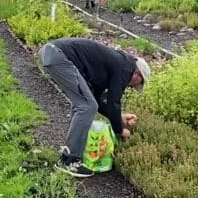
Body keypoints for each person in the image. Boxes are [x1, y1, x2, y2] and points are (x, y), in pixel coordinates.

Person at [39, 38, 150, 178]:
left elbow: (97, 101)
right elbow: (114, 101)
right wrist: (120, 130)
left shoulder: (117, 64)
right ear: (137, 73)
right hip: (59, 55)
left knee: (85, 104)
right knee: (85, 106)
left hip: (52, 53)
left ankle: (71, 154)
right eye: (138, 83)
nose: (132, 87)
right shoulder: (125, 68)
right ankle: (69, 161)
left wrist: (119, 117)